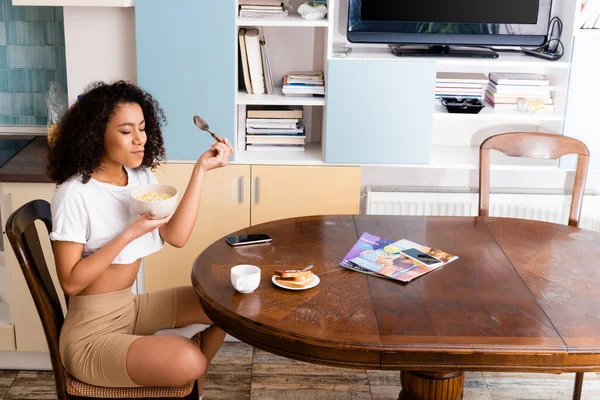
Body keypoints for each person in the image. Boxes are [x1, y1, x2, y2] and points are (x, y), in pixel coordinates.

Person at [46, 81, 233, 397]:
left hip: (130, 308)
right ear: (96, 134)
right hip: (90, 336)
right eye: (126, 131)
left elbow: (176, 236)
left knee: (225, 306)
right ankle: (180, 372)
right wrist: (130, 232)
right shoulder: (74, 194)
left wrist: (201, 170)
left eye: (143, 128)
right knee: (190, 361)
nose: (140, 139)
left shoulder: (140, 178)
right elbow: (71, 283)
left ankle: (190, 388)